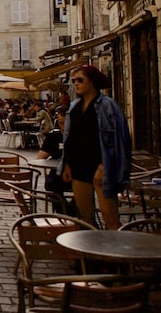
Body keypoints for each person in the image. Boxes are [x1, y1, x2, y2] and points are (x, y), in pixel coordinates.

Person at [59, 64, 131, 230]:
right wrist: (67, 164)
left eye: (80, 80)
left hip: (100, 167)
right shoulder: (74, 106)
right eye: (73, 81)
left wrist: (102, 166)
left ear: (91, 82)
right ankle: (90, 253)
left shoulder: (107, 106)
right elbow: (70, 138)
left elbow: (116, 139)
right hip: (78, 166)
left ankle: (113, 253)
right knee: (85, 217)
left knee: (110, 217)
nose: (75, 84)